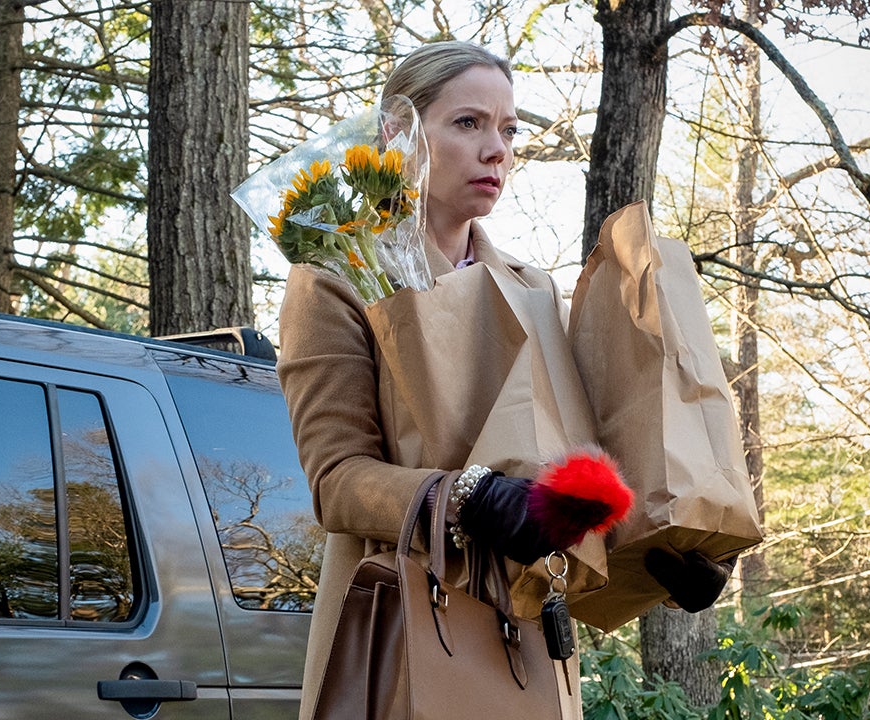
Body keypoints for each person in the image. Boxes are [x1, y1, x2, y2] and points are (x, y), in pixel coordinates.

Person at [276, 41, 728, 720]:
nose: (498, 151)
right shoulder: (335, 275)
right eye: (469, 123)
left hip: (530, 651)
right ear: (398, 135)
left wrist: (661, 553)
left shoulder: (531, 289)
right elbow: (336, 481)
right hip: (401, 637)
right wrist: (470, 496)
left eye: (509, 130)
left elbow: (572, 471)